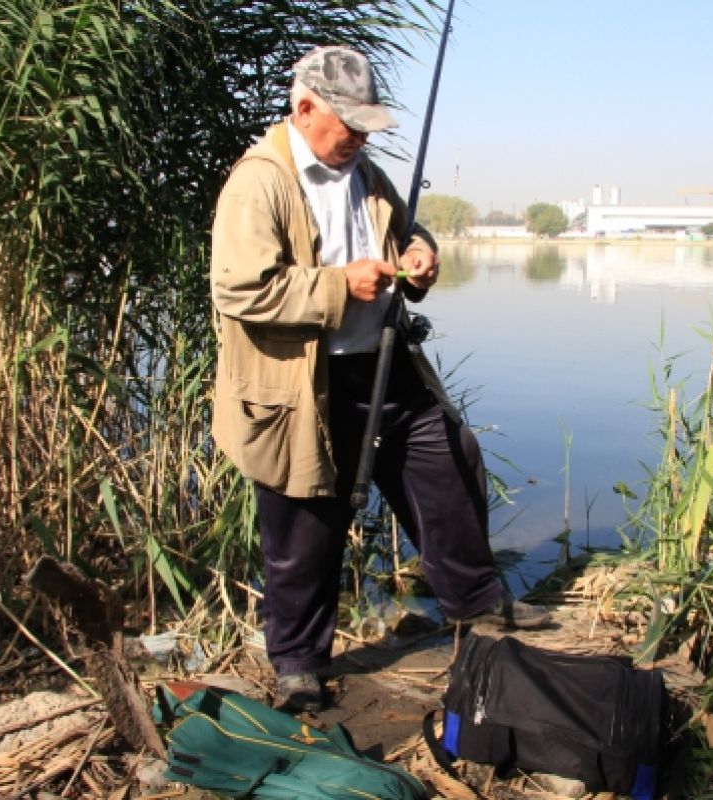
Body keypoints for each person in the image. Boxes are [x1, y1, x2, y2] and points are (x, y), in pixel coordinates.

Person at [209, 45, 549, 713]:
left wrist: (420, 257)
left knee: (448, 461)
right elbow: (239, 288)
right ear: (303, 108)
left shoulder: (362, 172)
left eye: (367, 126)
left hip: (386, 365)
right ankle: (299, 665)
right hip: (298, 384)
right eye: (348, 125)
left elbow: (406, 232)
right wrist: (339, 285)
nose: (360, 138)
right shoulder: (259, 181)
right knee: (303, 527)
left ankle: (478, 607)